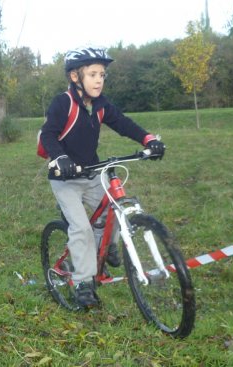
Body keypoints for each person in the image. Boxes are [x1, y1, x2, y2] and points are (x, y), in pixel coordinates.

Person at [39, 47, 165, 309]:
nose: (99, 80)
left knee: (113, 211)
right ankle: (83, 282)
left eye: (102, 75)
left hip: (92, 173)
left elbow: (123, 123)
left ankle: (106, 248)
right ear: (76, 77)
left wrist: (148, 139)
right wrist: (60, 158)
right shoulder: (63, 103)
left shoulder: (100, 104)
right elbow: (49, 135)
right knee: (82, 228)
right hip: (65, 179)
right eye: (93, 74)